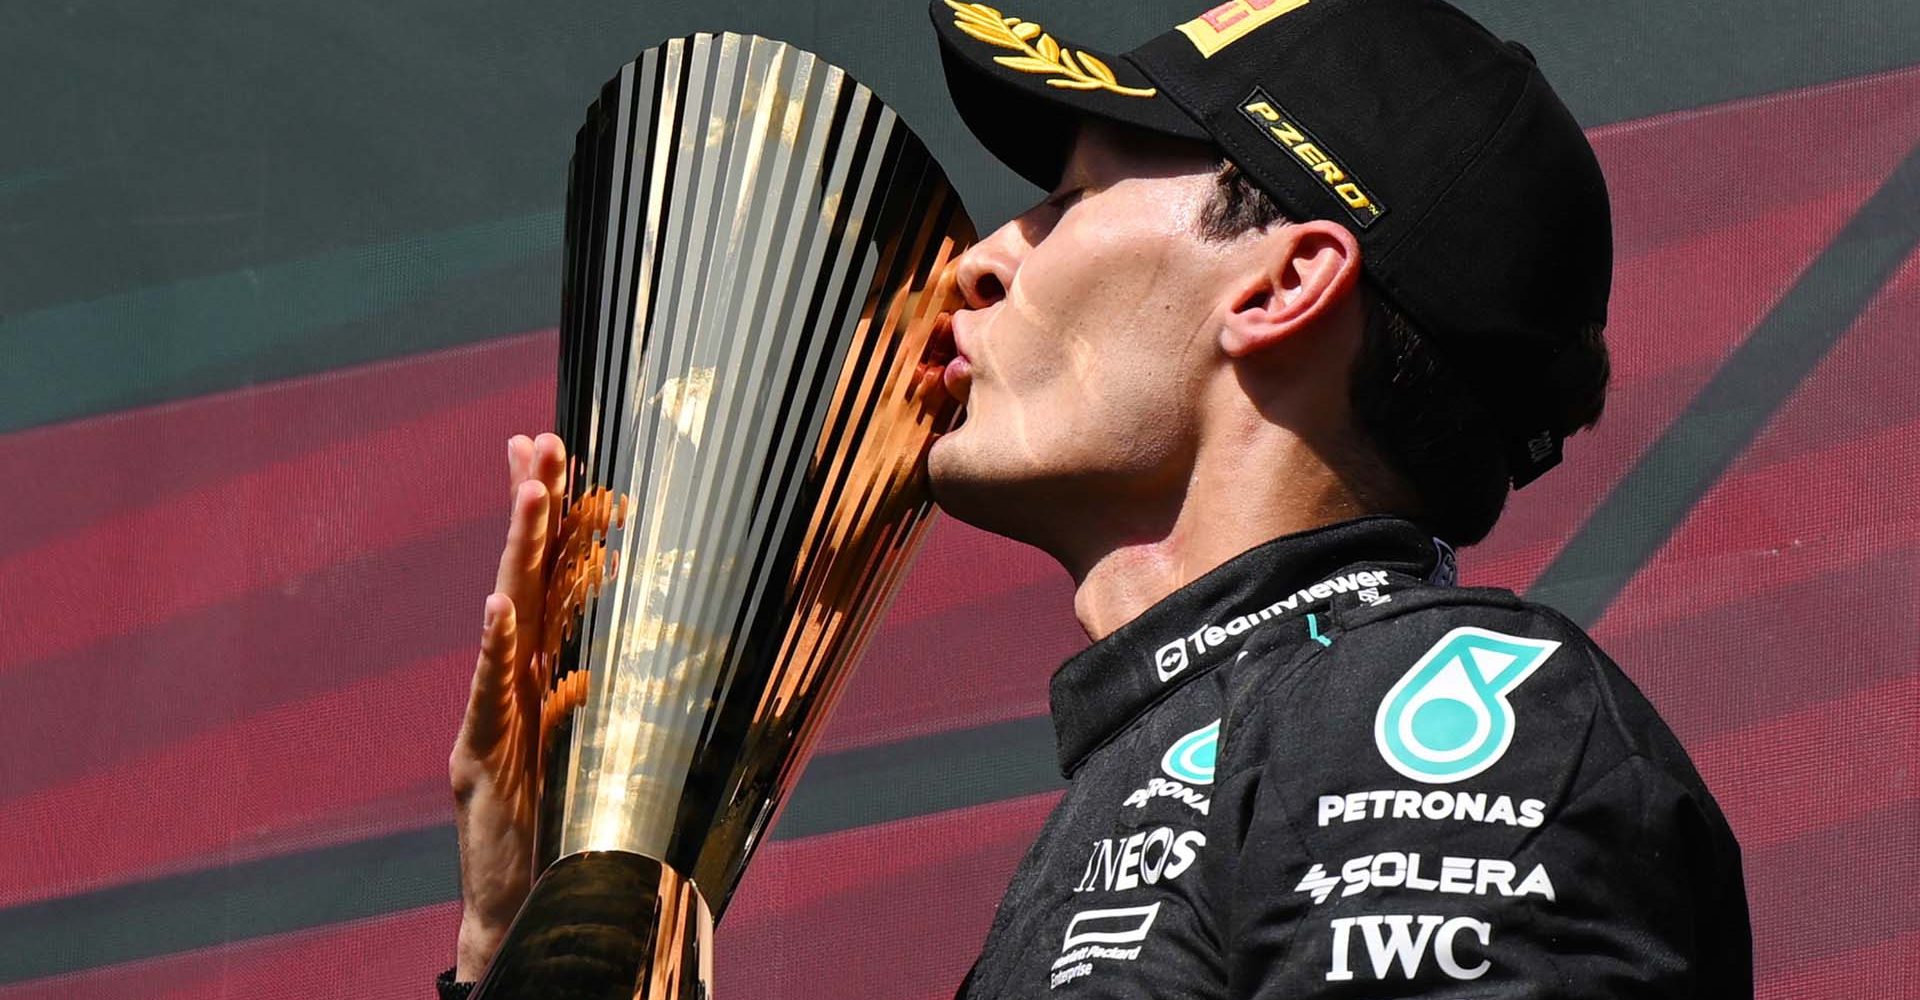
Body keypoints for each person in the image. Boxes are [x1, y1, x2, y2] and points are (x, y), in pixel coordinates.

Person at [442, 0, 1753, 996]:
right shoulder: (1153, 783)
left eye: (1061, 205)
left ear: (1283, 286)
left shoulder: (1439, 714)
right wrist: (548, 927)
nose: (974, 263)